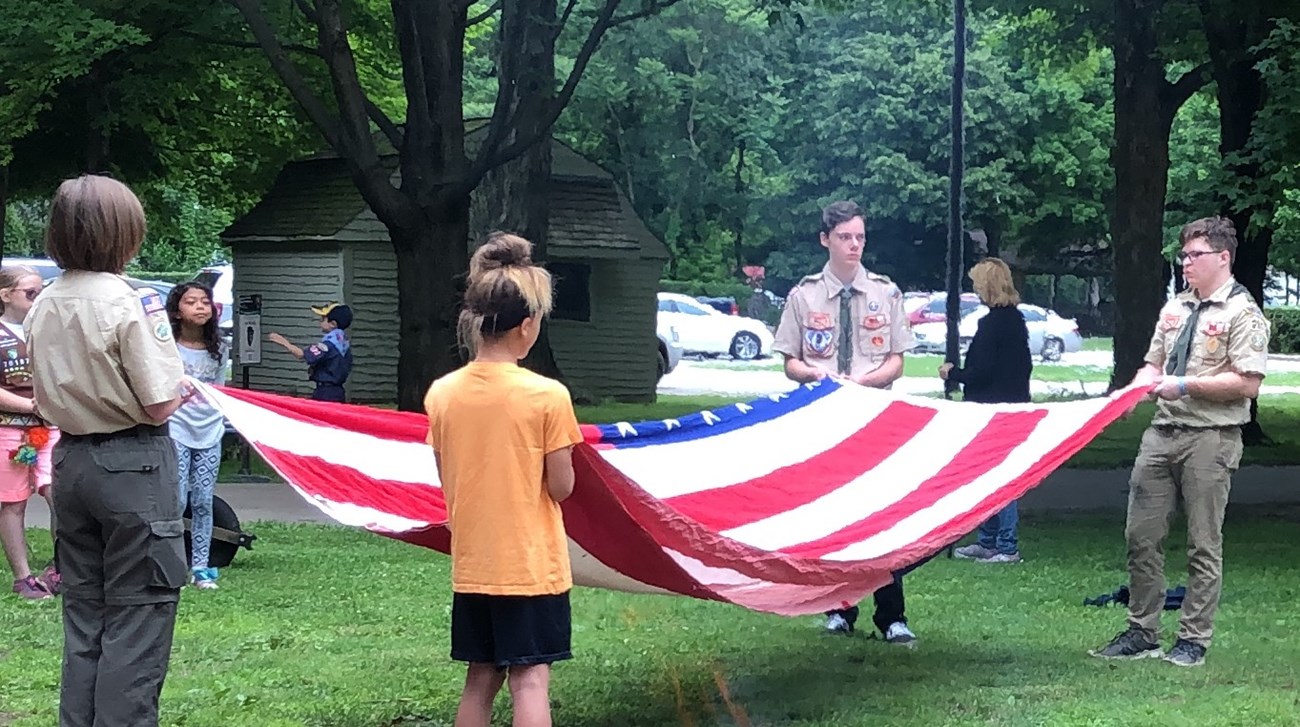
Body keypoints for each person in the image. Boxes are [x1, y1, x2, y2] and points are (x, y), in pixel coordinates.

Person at [27, 174, 191, 726]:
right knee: (139, 617)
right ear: (124, 232)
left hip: (69, 460)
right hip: (134, 465)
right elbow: (160, 403)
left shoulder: (44, 301)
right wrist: (182, 388)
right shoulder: (130, 301)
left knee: (84, 616)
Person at [1089, 216, 1269, 668]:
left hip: (1211, 437)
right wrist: (1130, 394)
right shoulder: (1176, 308)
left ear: (1223, 258)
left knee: (1202, 543)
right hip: (1161, 434)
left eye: (1195, 255)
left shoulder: (1242, 314)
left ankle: (1193, 639)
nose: (1185, 262)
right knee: (1140, 536)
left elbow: (1247, 383)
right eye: (1184, 254)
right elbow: (1153, 364)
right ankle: (1141, 630)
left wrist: (1184, 386)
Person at [424, 232, 583, 727]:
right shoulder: (547, 396)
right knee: (530, 680)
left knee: (480, 679)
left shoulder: (442, 393)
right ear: (528, 325)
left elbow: (446, 476)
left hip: (474, 564)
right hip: (531, 565)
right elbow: (561, 486)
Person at [771, 200, 919, 645]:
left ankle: (892, 614)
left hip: (873, 418)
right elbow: (790, 362)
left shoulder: (886, 294)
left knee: (881, 516)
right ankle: (839, 606)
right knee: (835, 516)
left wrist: (867, 380)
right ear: (825, 239)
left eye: (860, 237)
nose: (854, 245)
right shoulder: (804, 296)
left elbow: (897, 360)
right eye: (845, 237)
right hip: (823, 420)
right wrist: (817, 375)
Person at [941, 258, 1033, 563]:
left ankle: (1004, 544)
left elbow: (982, 371)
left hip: (992, 409)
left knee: (999, 478)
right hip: (1014, 405)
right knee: (994, 476)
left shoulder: (992, 324)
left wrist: (953, 373)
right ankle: (989, 539)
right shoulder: (1015, 321)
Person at [0, 265, 62, 600]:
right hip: (8, 430)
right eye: (31, 293)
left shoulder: (47, 329)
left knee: (60, 495)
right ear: (5, 295)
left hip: (49, 429)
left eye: (42, 292)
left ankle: (61, 568)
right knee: (13, 504)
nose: (38, 299)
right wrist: (30, 407)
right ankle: (23, 577)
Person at [166, 281, 229, 590]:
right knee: (176, 499)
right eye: (191, 302)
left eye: (205, 302)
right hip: (176, 427)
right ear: (177, 311)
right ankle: (172, 563)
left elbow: (219, 391)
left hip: (210, 430)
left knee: (203, 499)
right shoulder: (167, 347)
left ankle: (201, 567)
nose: (200, 307)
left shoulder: (220, 349)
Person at [267, 302, 353, 402]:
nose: (319, 321)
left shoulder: (329, 344)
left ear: (333, 324)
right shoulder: (343, 342)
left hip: (326, 393)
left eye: (323, 319)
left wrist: (283, 342)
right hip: (338, 391)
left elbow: (302, 354)